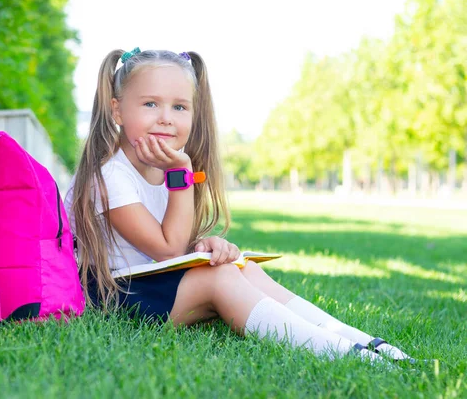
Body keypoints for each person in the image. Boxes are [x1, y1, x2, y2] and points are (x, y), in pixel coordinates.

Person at [65, 47, 416, 364]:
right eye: (150, 104)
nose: (166, 117)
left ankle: (362, 342)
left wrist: (202, 246)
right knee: (219, 279)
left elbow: (173, 244)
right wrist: (180, 174)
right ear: (117, 110)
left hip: (148, 285)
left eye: (179, 107)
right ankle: (341, 354)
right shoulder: (110, 177)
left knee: (241, 266)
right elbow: (167, 250)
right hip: (109, 297)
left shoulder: (161, 171)